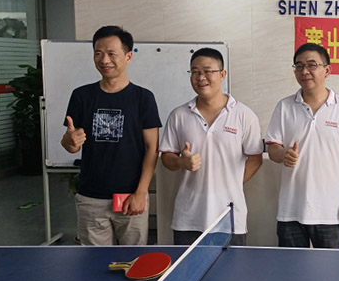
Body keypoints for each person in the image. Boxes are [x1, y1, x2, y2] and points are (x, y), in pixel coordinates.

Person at [61, 25, 161, 245]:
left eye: (111, 53)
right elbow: (71, 144)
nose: (104, 60)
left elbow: (152, 148)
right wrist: (69, 142)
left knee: (133, 260)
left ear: (128, 56)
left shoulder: (143, 98)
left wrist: (141, 193)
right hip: (91, 197)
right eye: (98, 53)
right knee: (94, 262)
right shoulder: (81, 96)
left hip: (130, 196)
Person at [265, 43, 339, 249]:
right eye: (299, 66)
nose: (305, 71)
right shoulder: (284, 107)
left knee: (331, 269)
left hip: (331, 212)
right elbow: (273, 148)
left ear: (327, 70)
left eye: (312, 65)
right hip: (291, 211)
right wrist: (283, 154)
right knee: (291, 268)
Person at [159, 47, 262, 245]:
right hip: (188, 218)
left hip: (230, 218)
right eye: (195, 72)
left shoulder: (244, 115)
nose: (201, 77)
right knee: (188, 266)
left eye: (208, 71)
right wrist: (181, 162)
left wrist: (230, 183)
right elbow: (167, 158)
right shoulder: (179, 115)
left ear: (222, 74)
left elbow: (256, 159)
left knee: (232, 266)